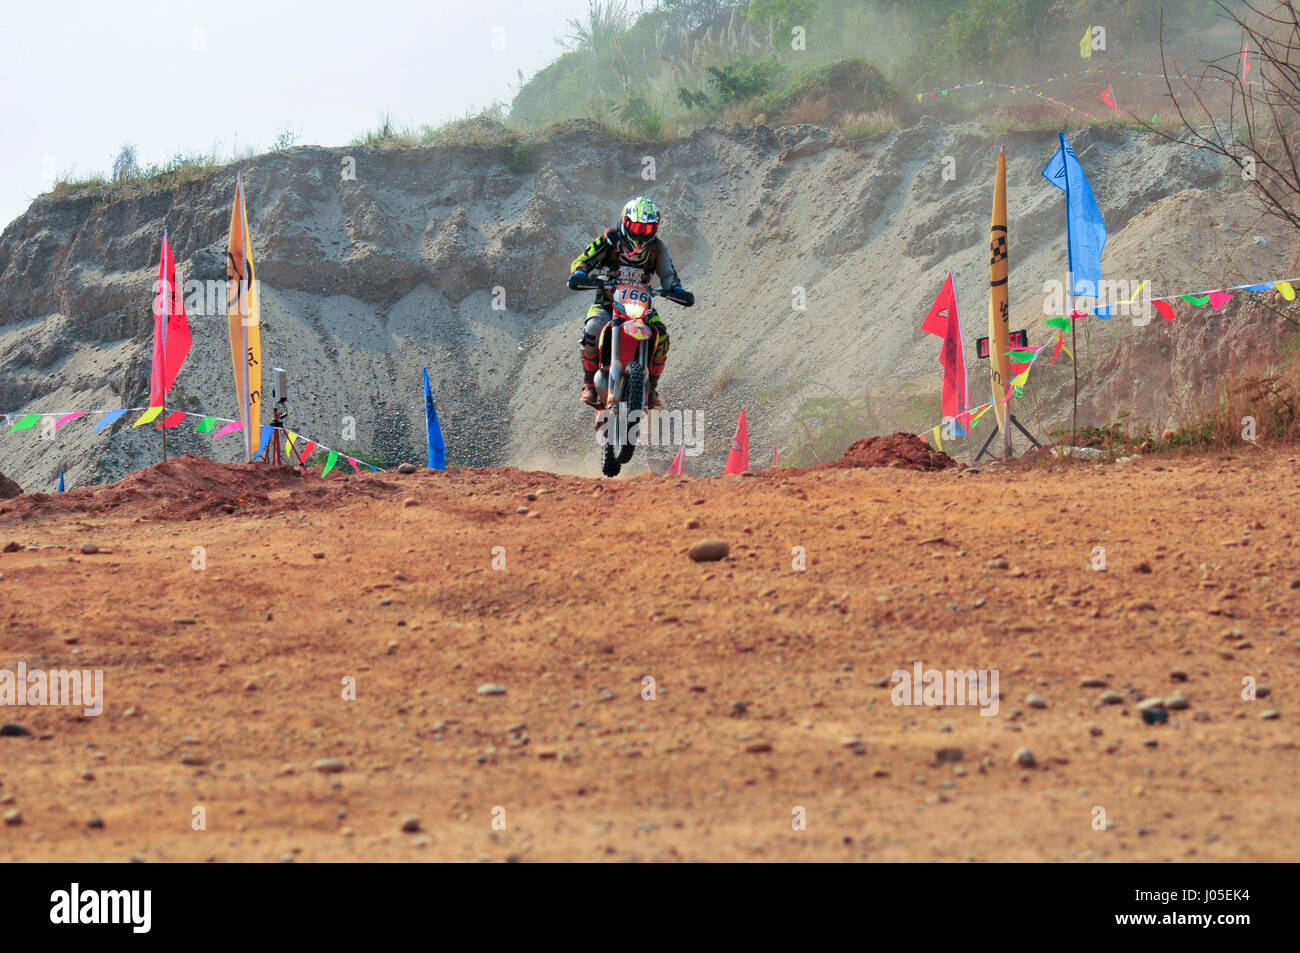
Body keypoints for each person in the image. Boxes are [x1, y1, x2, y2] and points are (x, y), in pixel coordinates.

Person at [568, 196, 694, 408]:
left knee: (661, 335)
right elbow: (583, 259)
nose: (641, 233)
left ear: (656, 228)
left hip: (642, 308)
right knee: (592, 329)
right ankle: (589, 383)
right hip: (607, 302)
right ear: (625, 222)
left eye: (647, 229)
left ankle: (652, 387)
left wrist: (676, 289)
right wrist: (580, 273)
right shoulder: (609, 239)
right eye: (636, 227)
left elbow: (668, 273)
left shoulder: (658, 248)